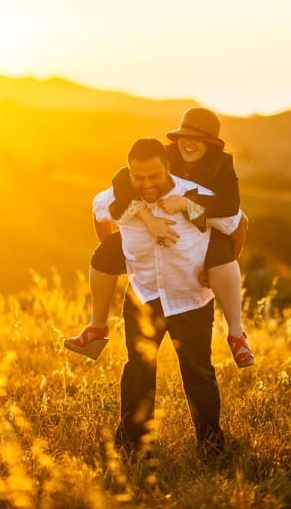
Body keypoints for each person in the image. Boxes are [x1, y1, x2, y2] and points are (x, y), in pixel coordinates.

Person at [65, 107, 254, 367]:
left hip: (204, 223)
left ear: (210, 144)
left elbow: (232, 209)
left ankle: (237, 334)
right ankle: (96, 328)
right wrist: (143, 217)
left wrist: (186, 204)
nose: (189, 143)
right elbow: (123, 177)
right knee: (105, 254)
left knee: (222, 256)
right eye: (185, 136)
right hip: (154, 230)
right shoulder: (166, 154)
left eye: (197, 139)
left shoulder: (222, 166)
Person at [91, 138, 240, 455]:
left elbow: (235, 222)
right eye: (138, 176)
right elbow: (99, 208)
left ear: (168, 167)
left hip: (191, 298)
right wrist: (119, 253)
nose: (146, 184)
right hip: (143, 295)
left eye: (153, 176)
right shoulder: (124, 196)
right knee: (138, 371)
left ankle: (211, 445)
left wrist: (218, 265)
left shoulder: (191, 195)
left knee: (199, 372)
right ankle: (133, 446)